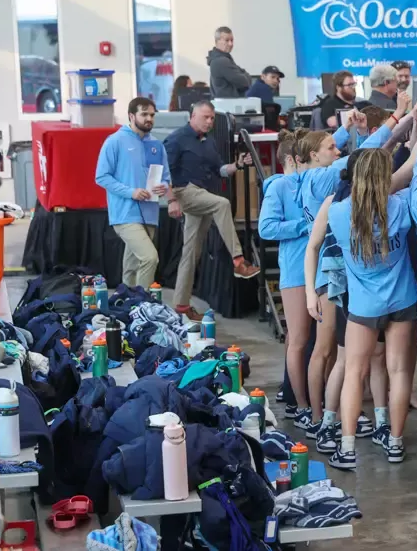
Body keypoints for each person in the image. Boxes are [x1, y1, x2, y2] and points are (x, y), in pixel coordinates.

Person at [328, 117, 417, 470]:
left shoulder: (338, 213)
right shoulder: (399, 206)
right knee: (400, 372)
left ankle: (347, 447)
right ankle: (396, 442)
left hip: (364, 305)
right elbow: (413, 164)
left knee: (354, 373)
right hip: (403, 300)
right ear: (386, 178)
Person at [162, 100, 260, 321]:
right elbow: (164, 172)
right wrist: (171, 200)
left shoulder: (209, 141)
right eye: (205, 117)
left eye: (212, 118)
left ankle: (181, 306)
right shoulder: (177, 139)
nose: (209, 122)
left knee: (191, 253)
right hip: (184, 191)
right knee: (222, 204)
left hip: (201, 194)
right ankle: (238, 261)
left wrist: (238, 165)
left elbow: (220, 170)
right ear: (192, 116)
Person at [258, 130, 314, 420]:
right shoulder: (279, 187)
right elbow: (266, 228)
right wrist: (305, 225)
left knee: (300, 336)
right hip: (295, 269)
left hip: (312, 268)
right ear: (294, 160)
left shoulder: (309, 183)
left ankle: (293, 392)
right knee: (298, 338)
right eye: (306, 157)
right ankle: (298, 403)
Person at [95, 97, 172, 288]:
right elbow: (102, 177)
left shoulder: (157, 145)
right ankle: (142, 301)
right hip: (125, 214)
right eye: (144, 114)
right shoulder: (115, 141)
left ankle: (126, 300)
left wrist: (163, 186)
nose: (149, 119)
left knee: (132, 266)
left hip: (150, 214)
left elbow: (166, 177)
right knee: (150, 258)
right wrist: (131, 192)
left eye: (152, 115)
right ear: (131, 116)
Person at [207, 26, 251, 100]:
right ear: (217, 41)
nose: (230, 44)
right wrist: (245, 74)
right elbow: (244, 82)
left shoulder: (219, 59)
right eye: (227, 40)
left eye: (232, 40)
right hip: (228, 104)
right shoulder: (222, 61)